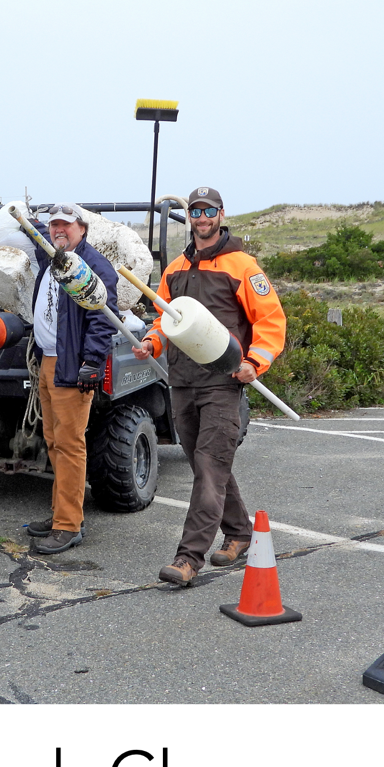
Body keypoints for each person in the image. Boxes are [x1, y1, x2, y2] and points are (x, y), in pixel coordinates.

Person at [132, 186, 286, 585]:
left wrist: (255, 363)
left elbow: (271, 322)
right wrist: (152, 341)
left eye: (209, 210)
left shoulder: (242, 266)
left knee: (209, 468)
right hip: (181, 382)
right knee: (208, 465)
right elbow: (165, 318)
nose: (202, 217)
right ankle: (238, 533)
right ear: (190, 216)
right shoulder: (175, 269)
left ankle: (188, 559)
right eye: (196, 210)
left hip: (223, 384)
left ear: (221, 214)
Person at [25, 204, 118, 555]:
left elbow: (104, 317)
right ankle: (60, 513)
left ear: (82, 228)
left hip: (71, 365)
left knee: (69, 444)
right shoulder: (54, 257)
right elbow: (29, 230)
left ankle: (68, 525)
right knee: (53, 442)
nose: (58, 230)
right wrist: (22, 216)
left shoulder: (93, 266)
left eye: (66, 225)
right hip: (48, 362)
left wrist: (91, 362)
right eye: (53, 225)